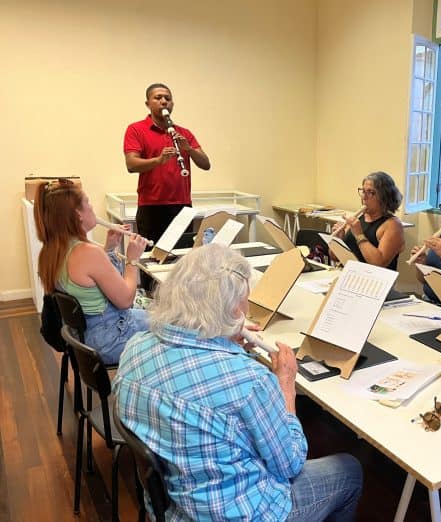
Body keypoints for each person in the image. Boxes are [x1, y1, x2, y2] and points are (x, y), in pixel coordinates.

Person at [113, 244, 363, 521]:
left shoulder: (135, 347)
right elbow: (291, 463)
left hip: (171, 507)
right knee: (349, 470)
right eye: (245, 302)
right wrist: (286, 385)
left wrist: (224, 344)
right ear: (232, 310)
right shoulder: (249, 380)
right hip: (241, 513)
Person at [34, 179, 149, 365]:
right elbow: (126, 300)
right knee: (172, 324)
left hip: (85, 336)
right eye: (87, 202)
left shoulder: (51, 251)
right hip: (111, 338)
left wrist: (109, 249)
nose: (92, 206)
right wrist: (132, 260)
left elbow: (87, 278)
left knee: (161, 314)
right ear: (78, 214)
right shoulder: (88, 253)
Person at [123, 83, 211, 247]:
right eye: (158, 98)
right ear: (147, 104)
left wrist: (188, 149)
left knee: (181, 257)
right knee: (151, 257)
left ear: (172, 104)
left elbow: (206, 164)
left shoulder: (184, 133)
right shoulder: (136, 129)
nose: (164, 101)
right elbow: (131, 164)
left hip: (183, 206)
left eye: (168, 98)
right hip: (151, 207)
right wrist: (158, 160)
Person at [331, 171, 405, 270]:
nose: (364, 197)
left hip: (375, 278)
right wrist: (337, 240)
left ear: (384, 196)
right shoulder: (358, 218)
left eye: (370, 192)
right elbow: (334, 257)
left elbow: (379, 263)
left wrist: (359, 235)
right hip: (350, 275)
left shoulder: (393, 225)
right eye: (363, 191)